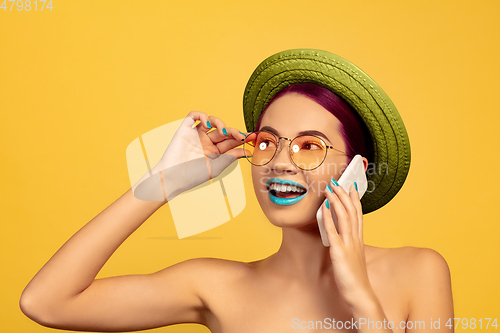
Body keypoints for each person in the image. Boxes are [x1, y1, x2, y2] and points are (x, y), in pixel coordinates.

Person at [20, 49, 453, 332]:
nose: (280, 162)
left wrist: (362, 299)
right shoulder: (216, 285)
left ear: (356, 169)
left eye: (308, 146)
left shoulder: (418, 273)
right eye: (267, 142)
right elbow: (47, 302)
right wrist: (163, 182)